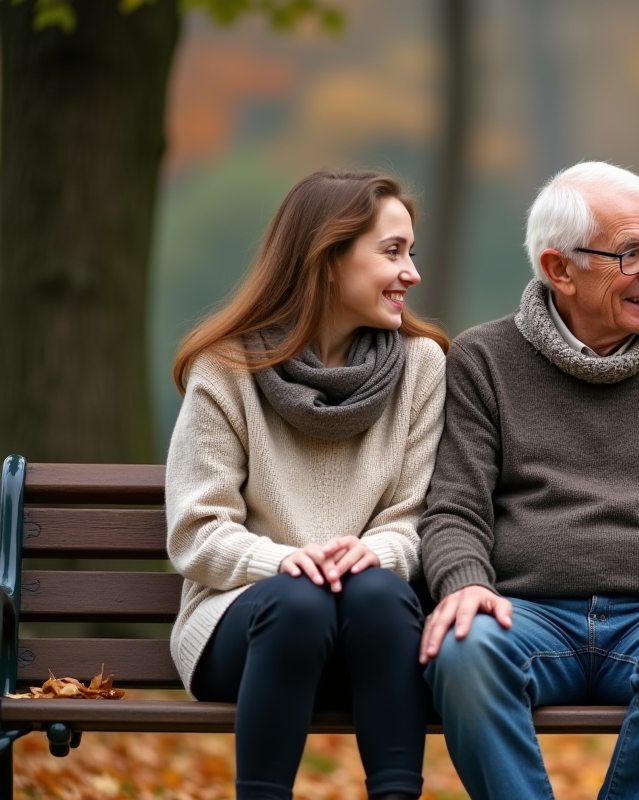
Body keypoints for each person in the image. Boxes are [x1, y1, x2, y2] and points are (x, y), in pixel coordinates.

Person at [418, 161, 639, 800]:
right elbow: (454, 510)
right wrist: (463, 584)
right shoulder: (483, 359)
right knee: (463, 650)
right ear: (559, 270)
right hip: (523, 614)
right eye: (631, 254)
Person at [165, 170, 448, 800]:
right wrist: (291, 562)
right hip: (244, 628)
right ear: (326, 259)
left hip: (372, 637)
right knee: (300, 602)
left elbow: (415, 515)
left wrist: (373, 552)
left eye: (411, 251)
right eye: (392, 252)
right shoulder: (227, 367)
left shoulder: (423, 367)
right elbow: (196, 530)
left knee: (374, 593)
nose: (412, 273)